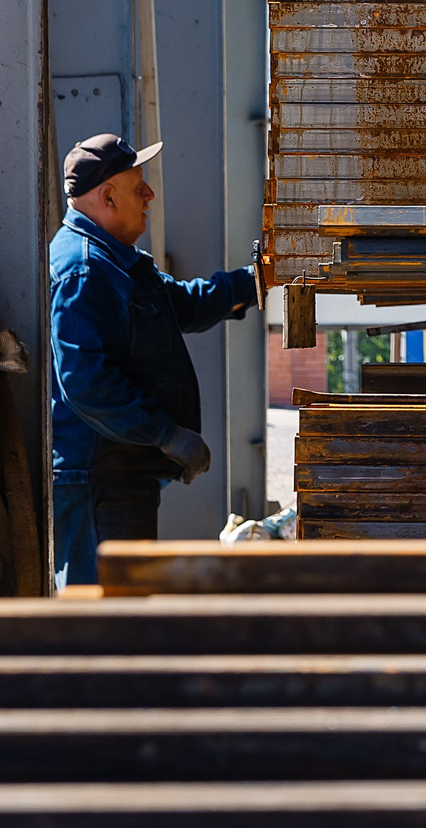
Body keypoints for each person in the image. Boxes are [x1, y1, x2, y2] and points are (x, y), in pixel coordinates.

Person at [48, 133, 257, 587]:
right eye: (138, 185)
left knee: (120, 614)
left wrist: (253, 282)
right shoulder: (85, 269)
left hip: (119, 474)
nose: (149, 194)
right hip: (99, 477)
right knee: (102, 622)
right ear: (107, 196)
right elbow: (83, 380)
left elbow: (182, 303)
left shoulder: (118, 264)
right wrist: (166, 435)